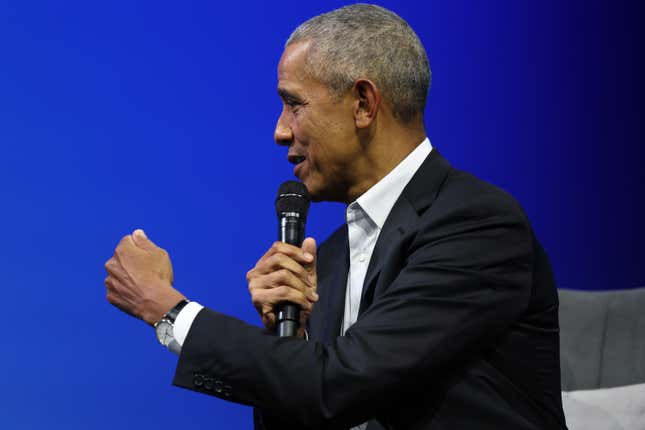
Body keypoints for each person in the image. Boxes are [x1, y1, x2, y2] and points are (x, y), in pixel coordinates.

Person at [104, 4, 568, 429]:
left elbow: (342, 385)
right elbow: (317, 407)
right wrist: (292, 339)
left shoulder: (476, 225)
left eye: (294, 103)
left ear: (363, 103)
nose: (280, 131)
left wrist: (167, 310)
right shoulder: (330, 256)